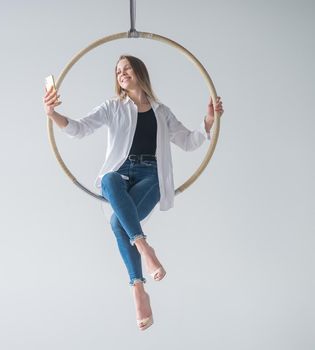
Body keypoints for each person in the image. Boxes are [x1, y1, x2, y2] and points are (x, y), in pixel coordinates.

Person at [43, 55, 224, 331]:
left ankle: (137, 286)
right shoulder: (113, 107)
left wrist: (209, 121)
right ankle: (143, 255)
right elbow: (79, 129)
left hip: (151, 175)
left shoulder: (161, 112)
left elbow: (188, 142)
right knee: (108, 179)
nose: (121, 73)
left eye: (126, 67)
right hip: (121, 174)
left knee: (118, 222)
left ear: (139, 71)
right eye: (117, 70)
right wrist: (52, 113)